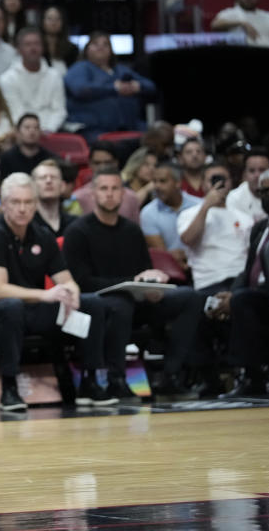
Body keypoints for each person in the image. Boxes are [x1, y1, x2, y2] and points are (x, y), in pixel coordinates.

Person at [62, 167, 204, 400]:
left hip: (137, 300)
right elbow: (81, 282)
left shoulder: (131, 230)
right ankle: (116, 379)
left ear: (124, 194)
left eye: (115, 188)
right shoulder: (78, 231)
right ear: (93, 194)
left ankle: (170, 375)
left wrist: (153, 285)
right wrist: (129, 284)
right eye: (104, 189)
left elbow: (143, 271)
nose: (109, 194)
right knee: (121, 303)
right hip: (101, 305)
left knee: (190, 297)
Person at [0, 173, 113, 410]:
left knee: (94, 304)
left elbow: (66, 280)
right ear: (4, 204)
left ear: (35, 204)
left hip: (33, 312)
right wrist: (45, 295)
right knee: (11, 307)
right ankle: (9, 390)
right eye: (16, 203)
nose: (22, 209)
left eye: (28, 202)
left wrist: (73, 294)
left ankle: (89, 383)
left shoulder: (42, 235)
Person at [214, 167, 269, 398]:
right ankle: (209, 379)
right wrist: (230, 295)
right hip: (256, 295)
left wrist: (238, 297)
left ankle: (251, 377)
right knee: (216, 303)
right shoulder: (260, 227)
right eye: (264, 192)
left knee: (243, 302)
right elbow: (247, 270)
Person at [63, 32, 156, 140]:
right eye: (95, 44)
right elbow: (80, 89)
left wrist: (137, 86)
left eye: (105, 44)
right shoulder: (80, 68)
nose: (100, 47)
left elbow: (151, 86)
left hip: (130, 126)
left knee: (155, 138)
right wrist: (114, 88)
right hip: (93, 129)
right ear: (87, 49)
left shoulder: (120, 69)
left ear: (111, 50)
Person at [177, 162, 252, 293]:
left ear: (230, 182)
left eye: (223, 179)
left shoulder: (245, 217)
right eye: (213, 179)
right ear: (203, 183)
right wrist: (206, 206)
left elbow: (251, 253)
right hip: (208, 281)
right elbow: (188, 240)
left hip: (240, 279)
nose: (218, 184)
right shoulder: (189, 214)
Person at [0, 27, 66, 133]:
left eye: (37, 44)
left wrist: (48, 130)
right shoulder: (7, 79)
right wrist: (32, 131)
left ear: (43, 47)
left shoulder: (55, 75)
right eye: (28, 44)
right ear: (19, 49)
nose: (33, 48)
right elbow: (15, 112)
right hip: (22, 132)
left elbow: (59, 110)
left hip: (51, 132)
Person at [140, 162, 201, 270]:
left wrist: (186, 255)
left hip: (203, 265)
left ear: (178, 183)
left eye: (163, 181)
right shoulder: (147, 213)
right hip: (170, 271)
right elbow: (162, 255)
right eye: (154, 181)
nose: (157, 186)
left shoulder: (199, 205)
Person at [72, 140, 141, 223]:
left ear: (116, 163)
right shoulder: (78, 197)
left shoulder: (131, 198)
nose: (102, 167)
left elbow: (135, 232)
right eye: (97, 163)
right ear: (89, 164)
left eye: (107, 163)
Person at [0, 114, 57, 181]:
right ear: (18, 132)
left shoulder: (50, 158)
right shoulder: (6, 158)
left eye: (36, 128)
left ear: (40, 132)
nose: (32, 131)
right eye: (27, 127)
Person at [31, 159, 77, 238]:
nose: (48, 181)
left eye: (53, 177)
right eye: (43, 177)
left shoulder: (75, 224)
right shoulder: (26, 224)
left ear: (62, 186)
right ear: (32, 186)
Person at [226, 147, 269, 223]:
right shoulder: (234, 198)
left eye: (262, 170)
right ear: (245, 174)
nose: (257, 175)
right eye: (252, 171)